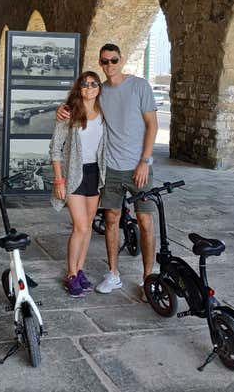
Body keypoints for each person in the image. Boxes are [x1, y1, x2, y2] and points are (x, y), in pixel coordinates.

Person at [56, 44, 158, 301]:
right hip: (110, 169)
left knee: (145, 222)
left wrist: (145, 161)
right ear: (101, 63)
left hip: (139, 168)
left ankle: (148, 278)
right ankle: (112, 273)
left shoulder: (139, 86)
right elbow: (77, 106)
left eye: (113, 60)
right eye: (105, 61)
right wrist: (60, 109)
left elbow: (152, 125)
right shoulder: (99, 93)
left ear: (121, 60)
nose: (109, 65)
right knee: (110, 221)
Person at [49, 71, 106, 297]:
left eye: (94, 84)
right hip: (74, 174)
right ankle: (71, 275)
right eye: (85, 84)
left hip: (95, 173)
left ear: (99, 88)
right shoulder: (69, 113)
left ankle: (80, 269)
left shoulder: (104, 112)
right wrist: (59, 180)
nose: (89, 88)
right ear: (78, 88)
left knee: (89, 225)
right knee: (80, 226)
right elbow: (55, 148)